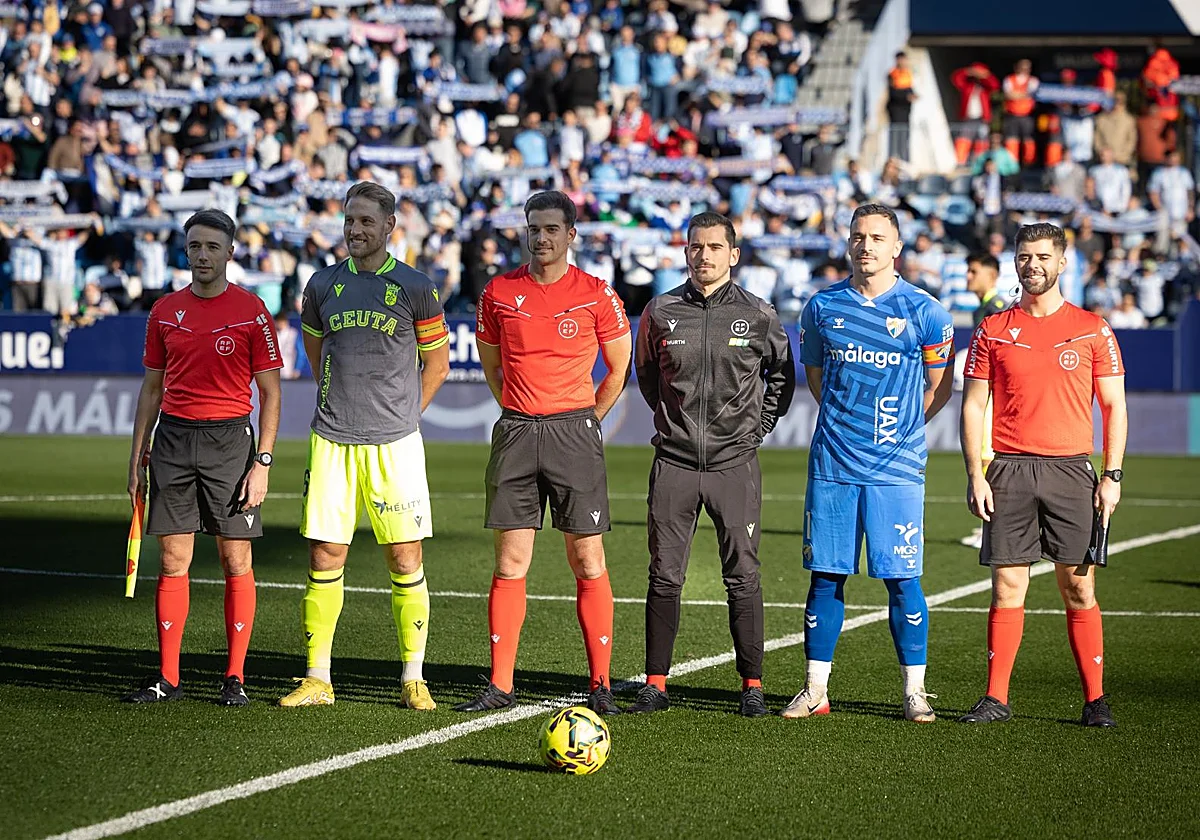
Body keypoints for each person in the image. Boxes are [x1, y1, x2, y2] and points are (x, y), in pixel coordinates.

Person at [455, 190, 632, 716]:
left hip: (573, 434)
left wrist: (586, 421)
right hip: (516, 432)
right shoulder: (498, 292)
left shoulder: (597, 293)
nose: (542, 237)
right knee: (511, 562)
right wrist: (519, 411)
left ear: (571, 235)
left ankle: (600, 684)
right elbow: (492, 366)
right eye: (534, 228)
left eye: (552, 228)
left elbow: (618, 368)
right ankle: (501, 685)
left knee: (588, 558)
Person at [280, 182, 451, 710]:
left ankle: (413, 677)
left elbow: (437, 366)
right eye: (350, 221)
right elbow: (316, 352)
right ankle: (317, 678)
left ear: (389, 227)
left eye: (367, 222)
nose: (356, 230)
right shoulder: (322, 285)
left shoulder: (417, 287)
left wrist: (401, 416)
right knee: (326, 553)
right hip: (332, 439)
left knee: (404, 556)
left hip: (395, 444)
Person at [782, 203, 955, 723]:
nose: (867, 246)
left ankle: (914, 692)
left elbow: (939, 389)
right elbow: (814, 379)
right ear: (848, 243)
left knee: (902, 579)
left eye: (878, 238)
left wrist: (898, 431)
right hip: (833, 464)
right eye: (859, 237)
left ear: (897, 247)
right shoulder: (821, 307)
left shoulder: (927, 312)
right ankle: (814, 689)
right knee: (826, 577)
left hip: (897, 468)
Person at [959, 222, 1126, 728]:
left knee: (1079, 589)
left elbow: (1114, 406)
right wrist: (976, 472)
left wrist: (1111, 475)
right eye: (1024, 256)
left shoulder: (1093, 328)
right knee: (1007, 587)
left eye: (1042, 257)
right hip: (1008, 469)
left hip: (1073, 472)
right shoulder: (992, 328)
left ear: (1062, 262)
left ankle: (1095, 700)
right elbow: (972, 406)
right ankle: (995, 698)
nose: (1032, 265)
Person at [630, 212, 796, 717]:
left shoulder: (760, 314)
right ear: (686, 252)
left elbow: (782, 380)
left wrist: (757, 430)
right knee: (664, 576)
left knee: (743, 575)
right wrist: (675, 426)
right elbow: (647, 378)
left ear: (733, 254)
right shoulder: (660, 311)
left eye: (714, 247)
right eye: (695, 247)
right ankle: (656, 684)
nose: (704, 256)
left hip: (734, 465)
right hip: (674, 464)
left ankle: (752, 687)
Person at [123, 209, 283, 706]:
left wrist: (263, 462)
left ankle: (234, 676)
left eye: (213, 246)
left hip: (232, 445)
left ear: (231, 252)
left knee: (236, 558)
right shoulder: (166, 311)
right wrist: (136, 456)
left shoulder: (252, 310)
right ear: (186, 251)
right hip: (172, 441)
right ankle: (167, 677)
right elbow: (151, 389)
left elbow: (272, 395)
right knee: (173, 559)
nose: (203, 255)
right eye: (195, 246)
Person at [959, 253, 1007, 550]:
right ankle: (987, 523)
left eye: (973, 270)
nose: (968, 275)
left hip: (993, 395)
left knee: (988, 455)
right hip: (986, 391)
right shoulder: (982, 308)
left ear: (991, 274)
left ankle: (993, 523)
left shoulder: (995, 308)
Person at [1002, 59, 1039, 166]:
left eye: (1027, 68)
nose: (1024, 70)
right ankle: (1012, 163)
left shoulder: (1033, 80)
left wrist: (1016, 94)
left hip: (1027, 115)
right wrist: (1024, 94)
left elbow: (1033, 93)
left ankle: (1029, 163)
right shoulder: (1009, 79)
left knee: (1029, 140)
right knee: (1011, 140)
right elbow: (1008, 94)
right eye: (1022, 67)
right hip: (1012, 115)